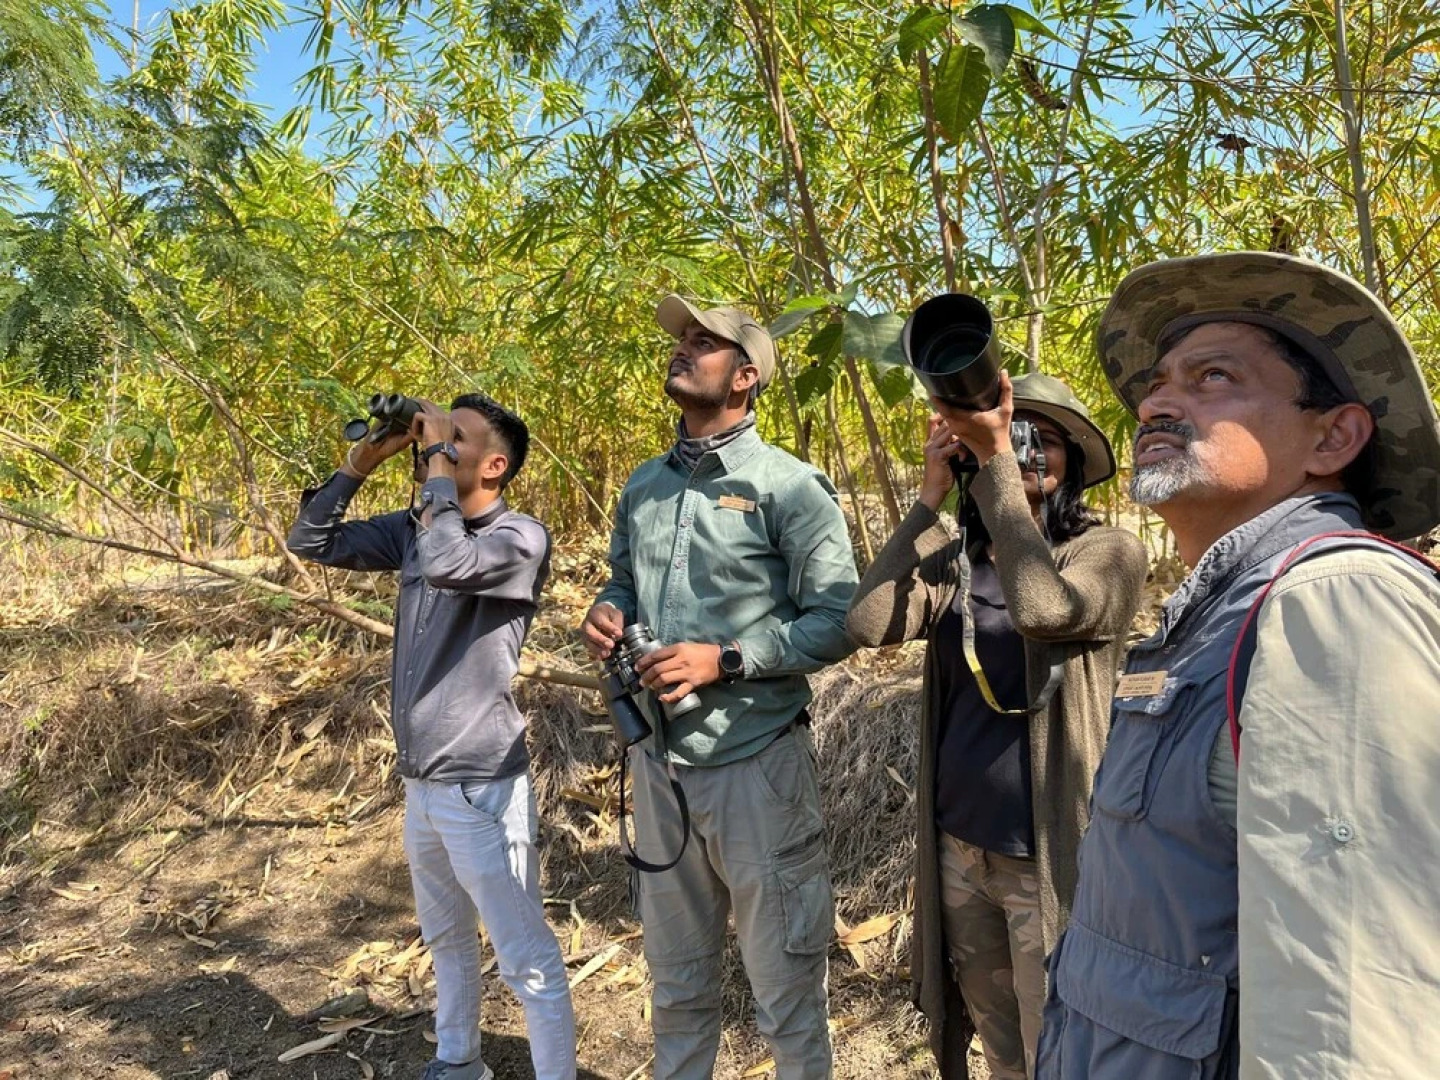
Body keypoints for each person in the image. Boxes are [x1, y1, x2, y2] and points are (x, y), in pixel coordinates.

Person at [1037, 252, 1440, 1079]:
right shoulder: (1222, 609)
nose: (1155, 402)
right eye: (1157, 383)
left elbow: (1349, 1019)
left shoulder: (1336, 600)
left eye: (1211, 376)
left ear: (1333, 437)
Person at [578, 296, 858, 1080]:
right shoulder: (645, 484)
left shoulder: (791, 486)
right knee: (677, 986)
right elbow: (624, 579)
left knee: (786, 989)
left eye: (704, 343)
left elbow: (841, 621)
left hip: (757, 767)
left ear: (745, 377)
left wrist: (725, 659)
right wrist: (609, 611)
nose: (683, 350)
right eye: (680, 340)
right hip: (658, 765)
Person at [847, 371, 1147, 1079]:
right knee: (999, 1039)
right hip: (962, 850)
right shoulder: (958, 561)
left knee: (1063, 1045)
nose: (1027, 453)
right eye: (1013, 439)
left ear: (1076, 462)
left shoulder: (1110, 552)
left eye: (1045, 443)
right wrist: (929, 498)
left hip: (1046, 856)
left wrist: (1000, 476)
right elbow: (865, 625)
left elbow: (1046, 608)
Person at [286, 394, 576, 1080]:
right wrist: (365, 459)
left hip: (480, 783)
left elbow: (450, 561)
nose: (436, 445)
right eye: (435, 436)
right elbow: (310, 541)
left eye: (458, 438)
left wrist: (438, 472)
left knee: (524, 957)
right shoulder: (421, 527)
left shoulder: (520, 538)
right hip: (423, 781)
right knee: (445, 937)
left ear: (495, 465)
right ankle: (458, 1061)